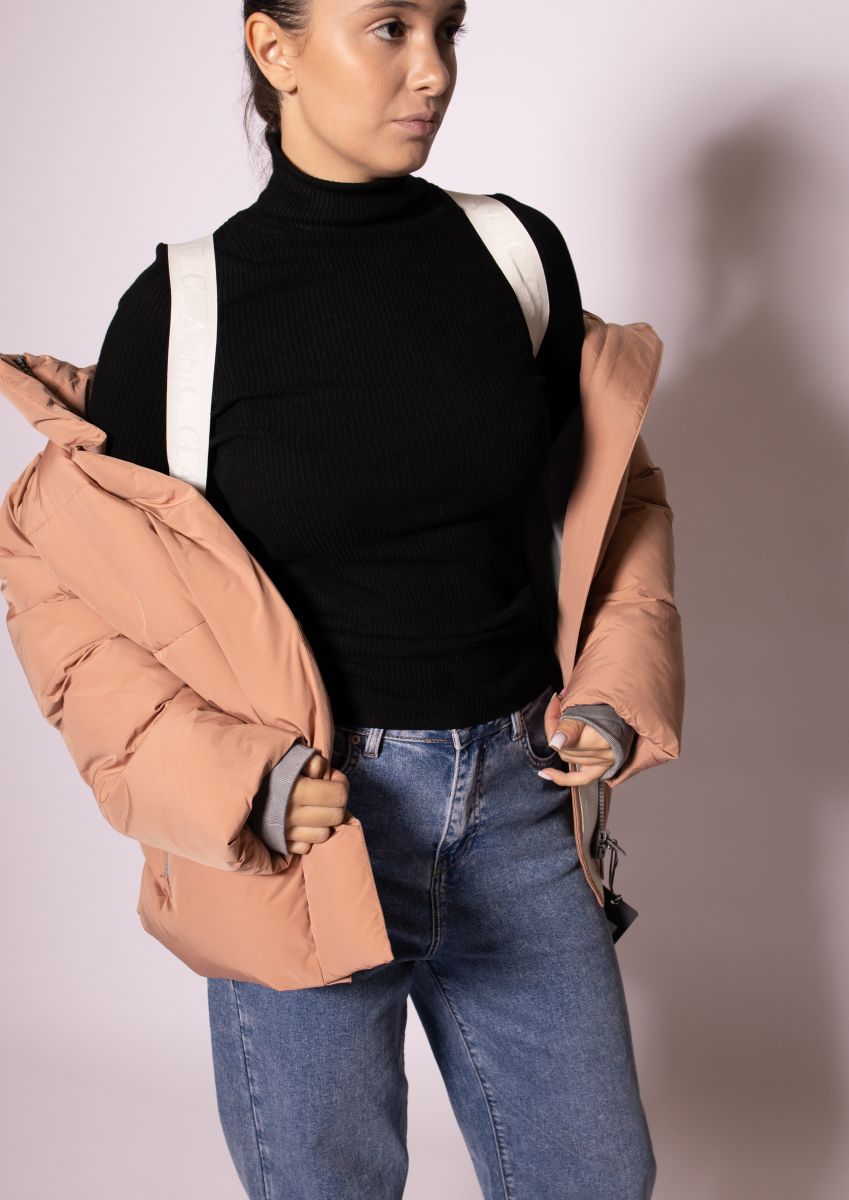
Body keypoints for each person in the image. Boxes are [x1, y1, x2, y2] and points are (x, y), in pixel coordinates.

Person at [82, 3, 672, 1196]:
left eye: (449, 29)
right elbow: (85, 617)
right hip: (308, 828)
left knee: (598, 1180)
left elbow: (617, 505)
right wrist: (241, 785)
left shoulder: (515, 257)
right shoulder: (181, 314)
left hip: (520, 803)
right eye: (389, 28)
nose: (433, 70)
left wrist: (614, 691)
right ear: (275, 48)